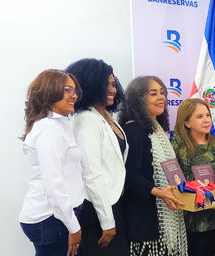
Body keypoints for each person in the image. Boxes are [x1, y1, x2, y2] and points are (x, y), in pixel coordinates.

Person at [118, 76, 187, 256]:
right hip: (144, 219)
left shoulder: (156, 131)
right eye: (153, 93)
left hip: (160, 214)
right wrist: (159, 192)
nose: (161, 98)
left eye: (163, 93)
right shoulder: (134, 131)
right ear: (138, 98)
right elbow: (130, 176)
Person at [66, 58, 129, 255]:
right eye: (107, 84)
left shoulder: (107, 117)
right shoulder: (86, 121)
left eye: (113, 84)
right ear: (91, 85)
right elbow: (91, 174)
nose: (113, 89)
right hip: (96, 210)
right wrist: (107, 221)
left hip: (113, 203)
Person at [19, 69, 84, 256]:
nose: (74, 95)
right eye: (67, 90)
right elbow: (53, 184)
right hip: (51, 218)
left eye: (74, 90)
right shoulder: (49, 130)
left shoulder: (59, 125)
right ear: (50, 92)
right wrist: (73, 227)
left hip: (57, 216)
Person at [170, 99, 215, 256]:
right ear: (187, 122)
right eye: (200, 116)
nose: (207, 120)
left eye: (208, 115)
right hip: (189, 222)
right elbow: (170, 179)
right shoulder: (176, 145)